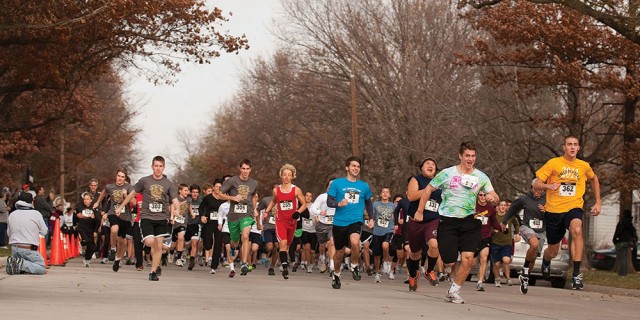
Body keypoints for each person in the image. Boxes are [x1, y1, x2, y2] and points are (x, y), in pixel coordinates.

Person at [415, 141, 499, 304]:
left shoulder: (481, 177)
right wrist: (419, 211)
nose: (470, 159)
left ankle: (454, 291)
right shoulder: (447, 173)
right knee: (449, 260)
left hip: (469, 221)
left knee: (468, 258)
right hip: (448, 222)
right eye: (467, 155)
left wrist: (492, 198)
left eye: (473, 156)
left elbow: (495, 197)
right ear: (460, 156)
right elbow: (428, 190)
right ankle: (432, 267)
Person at [533, 135, 601, 290]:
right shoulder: (553, 163)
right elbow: (537, 183)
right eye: (569, 144)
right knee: (553, 251)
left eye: (575, 144)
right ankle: (546, 260)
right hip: (554, 211)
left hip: (574, 207)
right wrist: (547, 187)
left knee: (577, 230)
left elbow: (594, 179)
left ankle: (576, 274)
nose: (572, 147)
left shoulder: (583, 166)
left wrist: (598, 202)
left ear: (578, 148)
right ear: (564, 147)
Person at [116, 156, 180, 281]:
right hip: (146, 217)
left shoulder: (168, 184)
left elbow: (175, 199)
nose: (158, 168)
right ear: (152, 167)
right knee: (150, 242)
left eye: (160, 166)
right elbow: (132, 194)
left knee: (159, 245)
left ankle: (153, 272)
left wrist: (177, 209)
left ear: (163, 167)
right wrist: (121, 206)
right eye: (156, 166)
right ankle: (149, 251)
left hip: (161, 218)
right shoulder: (144, 181)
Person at [326, 156, 374, 289]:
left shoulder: (363, 186)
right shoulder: (337, 183)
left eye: (358, 167)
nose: (356, 168)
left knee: (355, 242)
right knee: (339, 253)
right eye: (353, 166)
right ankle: (336, 274)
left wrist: (371, 218)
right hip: (339, 222)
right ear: (347, 167)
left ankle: (354, 265)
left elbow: (369, 203)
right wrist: (338, 203)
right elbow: (329, 201)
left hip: (356, 220)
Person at [405, 158, 442, 291]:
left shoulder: (441, 183)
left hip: (433, 220)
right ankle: (413, 275)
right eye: (427, 163)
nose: (430, 165)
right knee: (415, 253)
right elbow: (411, 196)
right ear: (422, 167)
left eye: (433, 164)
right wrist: (429, 189)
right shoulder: (416, 180)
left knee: (434, 244)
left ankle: (429, 270)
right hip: (416, 221)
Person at [265, 164, 308, 279]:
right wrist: (266, 211)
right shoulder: (276, 190)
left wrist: (298, 212)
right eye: (284, 175)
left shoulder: (296, 190)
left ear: (292, 176)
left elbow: (304, 204)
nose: (286, 177)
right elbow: (273, 201)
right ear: (281, 176)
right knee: (282, 244)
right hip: (281, 221)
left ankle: (283, 262)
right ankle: (284, 268)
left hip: (292, 222)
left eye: (289, 175)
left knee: (287, 245)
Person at [502, 180, 546, 294]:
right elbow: (512, 208)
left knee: (534, 257)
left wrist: (547, 211)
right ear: (531, 188)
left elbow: (556, 213)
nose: (536, 191)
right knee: (534, 244)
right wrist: (504, 221)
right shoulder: (525, 199)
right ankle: (525, 268)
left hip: (541, 230)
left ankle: (525, 277)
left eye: (539, 189)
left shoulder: (548, 199)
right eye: (534, 189)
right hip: (526, 227)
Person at [219, 159, 259, 277]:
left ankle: (244, 264)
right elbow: (219, 194)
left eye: (248, 169)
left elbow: (254, 196)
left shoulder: (254, 183)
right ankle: (233, 248)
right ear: (240, 169)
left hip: (247, 214)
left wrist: (254, 209)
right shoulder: (232, 181)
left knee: (245, 236)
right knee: (235, 243)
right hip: (233, 216)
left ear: (250, 170)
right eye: (243, 169)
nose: (245, 171)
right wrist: (232, 198)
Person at [94, 168, 135, 272]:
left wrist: (126, 195)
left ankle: (117, 259)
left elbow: (134, 203)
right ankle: (112, 249)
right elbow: (104, 192)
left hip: (125, 216)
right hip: (113, 213)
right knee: (113, 229)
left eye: (122, 177)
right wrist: (98, 202)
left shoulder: (129, 187)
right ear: (116, 176)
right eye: (118, 176)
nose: (120, 178)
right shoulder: (110, 186)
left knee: (122, 241)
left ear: (125, 178)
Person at [6, 192, 48, 275]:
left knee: (21, 269)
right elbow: (44, 231)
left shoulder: (12, 214)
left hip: (14, 248)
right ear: (32, 201)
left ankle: (16, 263)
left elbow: (8, 233)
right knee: (41, 268)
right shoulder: (36, 214)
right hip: (28, 249)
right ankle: (22, 264)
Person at [473, 190, 501, 292]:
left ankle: (480, 282)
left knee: (484, 258)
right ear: (477, 196)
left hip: (485, 236)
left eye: (485, 195)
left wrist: (501, 228)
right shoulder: (472, 206)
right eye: (480, 195)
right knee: (470, 262)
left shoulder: (490, 209)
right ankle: (453, 276)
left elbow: (494, 221)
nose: (483, 197)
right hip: (472, 236)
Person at [309, 179, 336, 274]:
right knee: (322, 246)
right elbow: (312, 208)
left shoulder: (339, 197)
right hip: (322, 224)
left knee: (332, 243)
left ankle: (332, 265)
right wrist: (320, 212)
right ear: (327, 186)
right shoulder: (322, 197)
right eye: (330, 185)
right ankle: (322, 257)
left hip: (334, 224)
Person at [199, 179, 226, 274]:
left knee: (218, 243)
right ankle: (207, 248)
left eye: (220, 187)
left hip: (220, 223)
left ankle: (214, 266)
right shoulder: (208, 198)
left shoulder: (225, 198)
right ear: (213, 187)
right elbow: (201, 207)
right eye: (216, 186)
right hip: (209, 222)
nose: (218, 188)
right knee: (207, 243)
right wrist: (202, 215)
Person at [491, 200, 520, 287]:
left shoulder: (510, 217)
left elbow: (516, 224)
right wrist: (493, 231)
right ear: (498, 207)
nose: (503, 207)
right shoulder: (494, 217)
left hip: (507, 242)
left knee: (506, 260)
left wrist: (517, 233)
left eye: (505, 205)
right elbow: (488, 227)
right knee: (496, 263)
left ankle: (508, 279)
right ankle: (497, 279)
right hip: (495, 242)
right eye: (501, 205)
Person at [371, 187, 396, 283]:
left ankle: (386, 262)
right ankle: (377, 273)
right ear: (381, 194)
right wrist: (371, 222)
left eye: (387, 192)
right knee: (376, 255)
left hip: (388, 229)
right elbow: (372, 216)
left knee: (385, 245)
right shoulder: (375, 205)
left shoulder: (393, 206)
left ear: (389, 195)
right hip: (377, 231)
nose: (385, 194)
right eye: (383, 192)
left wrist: (396, 225)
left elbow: (395, 217)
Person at [257, 187, 279, 275]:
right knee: (270, 247)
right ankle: (263, 251)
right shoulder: (266, 200)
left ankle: (272, 267)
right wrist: (258, 223)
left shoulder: (283, 201)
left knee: (276, 247)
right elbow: (258, 210)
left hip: (279, 227)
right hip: (268, 227)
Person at [77, 193, 99, 267]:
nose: (86, 201)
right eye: (84, 199)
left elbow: (98, 220)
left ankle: (87, 259)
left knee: (93, 247)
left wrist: (95, 231)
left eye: (87, 199)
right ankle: (82, 242)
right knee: (87, 241)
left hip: (90, 229)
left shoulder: (94, 208)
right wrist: (78, 215)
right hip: (82, 228)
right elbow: (76, 215)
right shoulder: (80, 207)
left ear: (91, 200)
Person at [612, 209, 637, 276]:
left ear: (624, 214)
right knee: (624, 257)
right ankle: (624, 273)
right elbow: (633, 232)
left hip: (621, 242)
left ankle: (622, 273)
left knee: (622, 258)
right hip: (628, 242)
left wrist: (614, 240)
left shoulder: (621, 222)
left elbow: (618, 232)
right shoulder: (630, 223)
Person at [300, 192, 317, 273]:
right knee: (306, 247)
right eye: (307, 196)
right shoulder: (302, 205)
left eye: (310, 196)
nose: (308, 197)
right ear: (304, 197)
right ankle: (308, 265)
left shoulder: (314, 206)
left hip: (313, 230)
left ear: (312, 198)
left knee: (312, 251)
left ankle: (312, 262)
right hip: (304, 229)